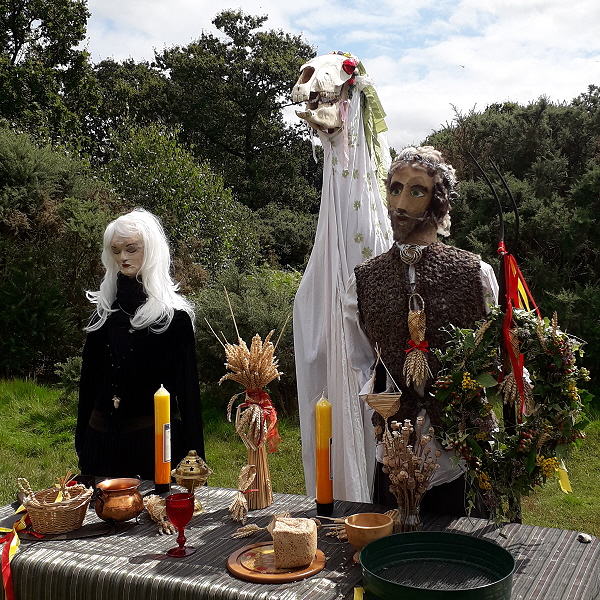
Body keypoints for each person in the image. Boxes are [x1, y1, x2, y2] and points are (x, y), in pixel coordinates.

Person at [354, 146, 498, 515]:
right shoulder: (365, 281)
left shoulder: (474, 274)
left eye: (416, 190)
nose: (400, 202)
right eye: (394, 187)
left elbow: (493, 355)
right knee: (394, 550)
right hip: (395, 448)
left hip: (460, 449)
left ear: (439, 202)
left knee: (459, 557)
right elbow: (364, 362)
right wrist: (383, 404)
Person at [76, 208, 204, 480]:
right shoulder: (102, 316)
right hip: (99, 447)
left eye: (131, 248)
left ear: (151, 250)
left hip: (152, 448)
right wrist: (82, 444)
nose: (123, 257)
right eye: (116, 250)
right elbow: (87, 387)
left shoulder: (173, 320)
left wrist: (195, 460)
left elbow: (189, 394)